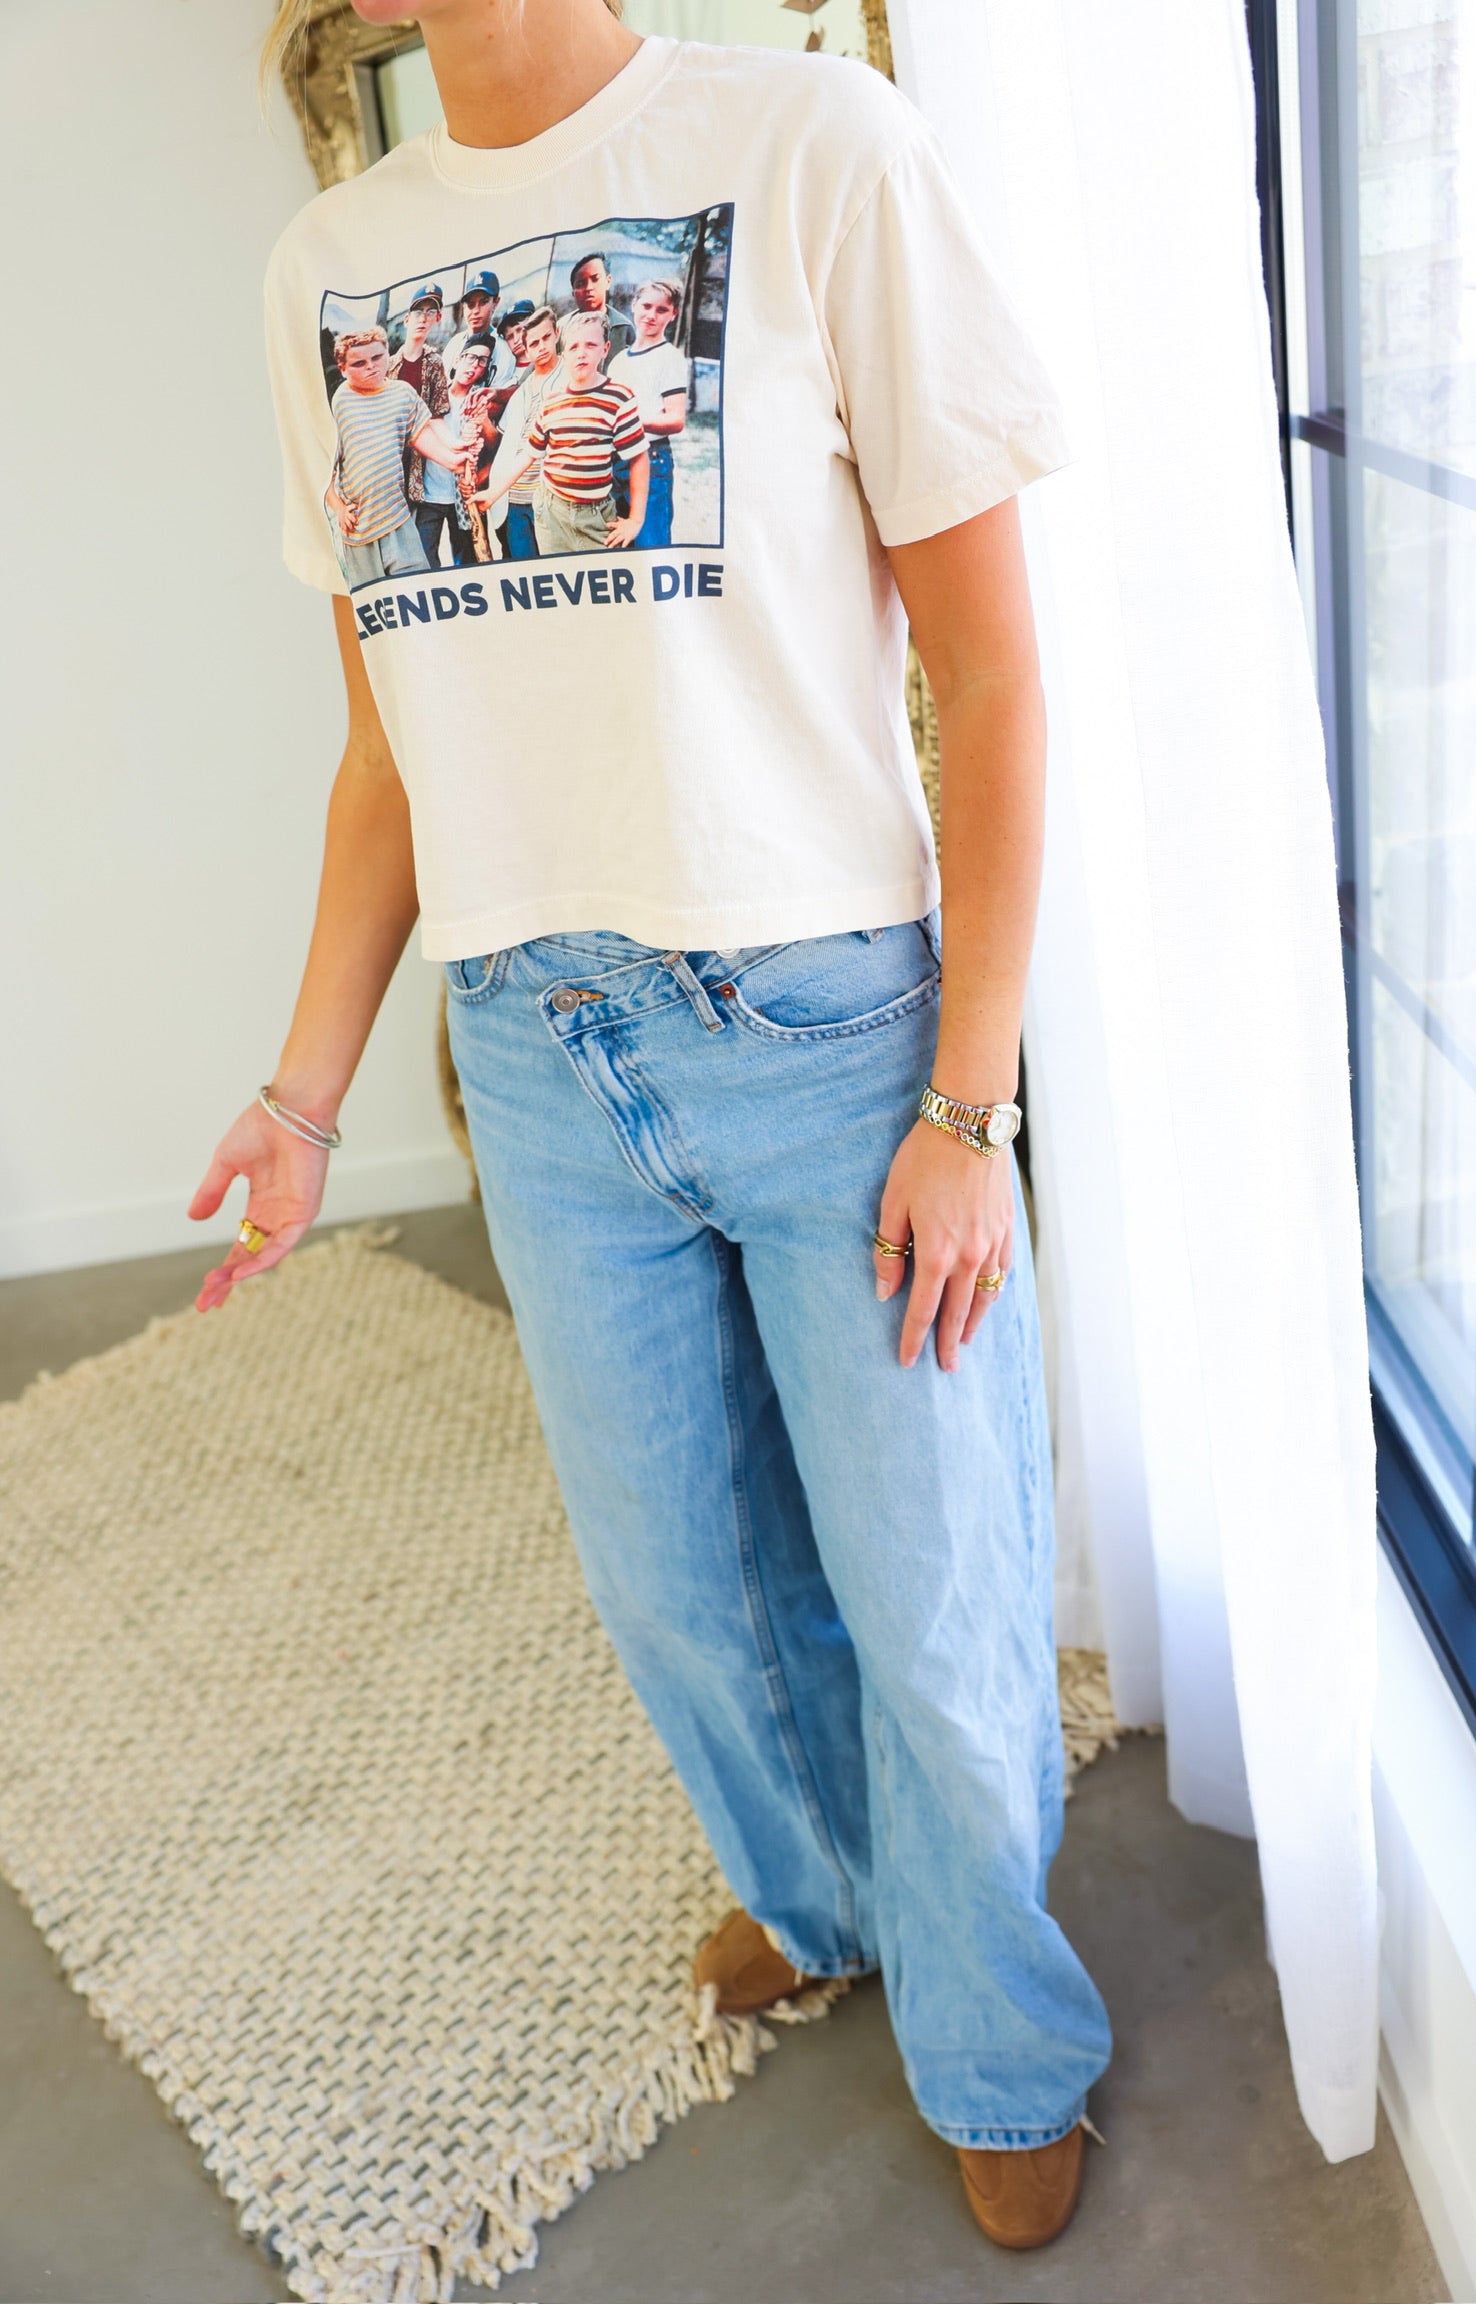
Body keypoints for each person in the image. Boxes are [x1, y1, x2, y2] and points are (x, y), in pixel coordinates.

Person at [230, 0, 1109, 2254]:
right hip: (539, 1043)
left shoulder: (813, 146)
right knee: (681, 1588)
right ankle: (824, 1899)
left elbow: (995, 674)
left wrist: (972, 1103)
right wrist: (305, 1092)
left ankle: (1000, 2036)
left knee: (930, 1599)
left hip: (829, 1028)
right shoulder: (332, 269)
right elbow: (387, 751)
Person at [483, 308, 648, 554]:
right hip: (552, 513)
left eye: (590, 345)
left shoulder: (618, 397)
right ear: (565, 352)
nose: (581, 353)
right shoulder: (552, 401)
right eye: (573, 347)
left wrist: (635, 519)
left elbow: (638, 459)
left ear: (605, 349)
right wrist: (492, 494)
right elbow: (527, 455)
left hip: (596, 514)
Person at [323, 327, 475, 586]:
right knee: (373, 595)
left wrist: (453, 460)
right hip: (359, 525)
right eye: (359, 363)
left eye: (377, 358)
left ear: (388, 355)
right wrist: (338, 508)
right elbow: (323, 465)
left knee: (415, 587)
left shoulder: (402, 393)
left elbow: (420, 434)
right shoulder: (340, 402)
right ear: (343, 369)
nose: (371, 367)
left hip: (396, 515)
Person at [607, 278, 689, 548]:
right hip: (615, 461)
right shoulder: (619, 361)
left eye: (661, 310)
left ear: (673, 314)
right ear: (634, 305)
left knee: (650, 546)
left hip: (651, 458)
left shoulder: (670, 358)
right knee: (616, 543)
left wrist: (632, 423)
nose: (651, 315)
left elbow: (676, 419)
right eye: (646, 306)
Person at [484, 303, 563, 560]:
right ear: (525, 349)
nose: (541, 347)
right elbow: (503, 441)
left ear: (556, 334)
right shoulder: (521, 390)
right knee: (523, 568)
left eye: (546, 338)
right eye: (534, 343)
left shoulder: (569, 377)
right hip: (514, 500)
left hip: (551, 497)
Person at [415, 331, 496, 566]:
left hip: (463, 496)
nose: (475, 365)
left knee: (468, 563)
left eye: (482, 361)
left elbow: (494, 444)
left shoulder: (480, 400)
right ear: (458, 359)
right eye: (471, 357)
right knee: (424, 561)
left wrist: (484, 422)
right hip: (430, 494)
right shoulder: (433, 395)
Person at [387, 284, 456, 552]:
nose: (423, 318)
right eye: (418, 312)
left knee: (413, 536)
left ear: (437, 319)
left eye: (430, 312)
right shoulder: (388, 366)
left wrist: (455, 448)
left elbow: (437, 416)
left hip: (418, 462)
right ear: (407, 319)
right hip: (390, 457)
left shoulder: (434, 363)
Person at [446, 268, 520, 388]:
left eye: (483, 302)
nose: (476, 311)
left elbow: (495, 397)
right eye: (471, 304)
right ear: (464, 307)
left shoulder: (503, 351)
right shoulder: (454, 344)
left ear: (495, 302)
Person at [568, 249, 634, 364]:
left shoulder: (623, 329)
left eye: (595, 279)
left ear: (608, 281)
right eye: (581, 283)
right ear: (573, 292)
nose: (589, 288)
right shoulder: (562, 328)